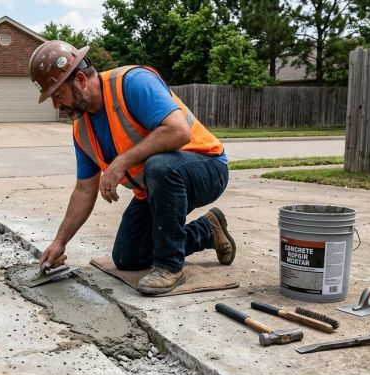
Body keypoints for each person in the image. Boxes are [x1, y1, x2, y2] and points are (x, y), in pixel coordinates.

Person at [30, 40, 236, 295]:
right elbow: (84, 190)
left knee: (159, 166)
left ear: (81, 79)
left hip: (207, 168)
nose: (56, 106)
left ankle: (170, 267)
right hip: (157, 187)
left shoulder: (132, 83)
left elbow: (178, 131)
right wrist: (60, 242)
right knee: (128, 256)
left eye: (58, 95)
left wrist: (121, 162)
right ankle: (207, 230)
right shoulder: (82, 130)